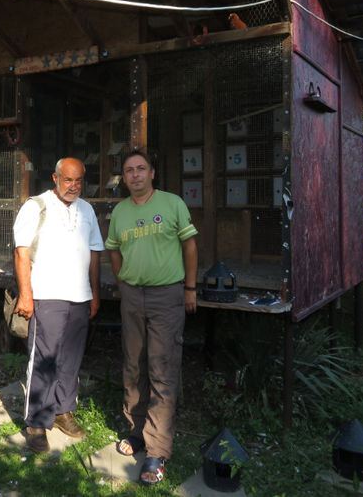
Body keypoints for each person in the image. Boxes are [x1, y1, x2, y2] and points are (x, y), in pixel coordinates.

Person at [104, 150, 198, 486]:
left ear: (152, 173)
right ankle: (137, 431)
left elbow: (189, 247)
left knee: (162, 367)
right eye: (129, 171)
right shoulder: (120, 212)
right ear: (124, 177)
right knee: (133, 364)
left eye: (141, 169)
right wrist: (122, 282)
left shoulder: (172, 204)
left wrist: (190, 288)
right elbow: (113, 249)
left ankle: (157, 450)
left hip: (167, 295)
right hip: (132, 295)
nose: (135, 175)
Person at [12, 157, 103, 453]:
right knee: (44, 359)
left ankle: (63, 411)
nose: (74, 186)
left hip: (80, 296)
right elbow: (21, 252)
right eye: (68, 180)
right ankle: (37, 422)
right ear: (55, 177)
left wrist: (94, 293)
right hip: (46, 295)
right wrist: (26, 294)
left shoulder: (87, 210)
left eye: (79, 181)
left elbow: (95, 253)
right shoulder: (35, 206)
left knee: (71, 358)